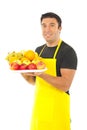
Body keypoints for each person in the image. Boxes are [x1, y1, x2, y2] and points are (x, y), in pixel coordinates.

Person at [21, 12, 78, 130]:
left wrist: (42, 75)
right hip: (39, 111)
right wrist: (23, 72)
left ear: (60, 28)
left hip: (57, 112)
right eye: (44, 25)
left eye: (52, 25)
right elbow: (35, 82)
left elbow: (65, 85)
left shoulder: (67, 52)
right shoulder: (38, 51)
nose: (47, 29)